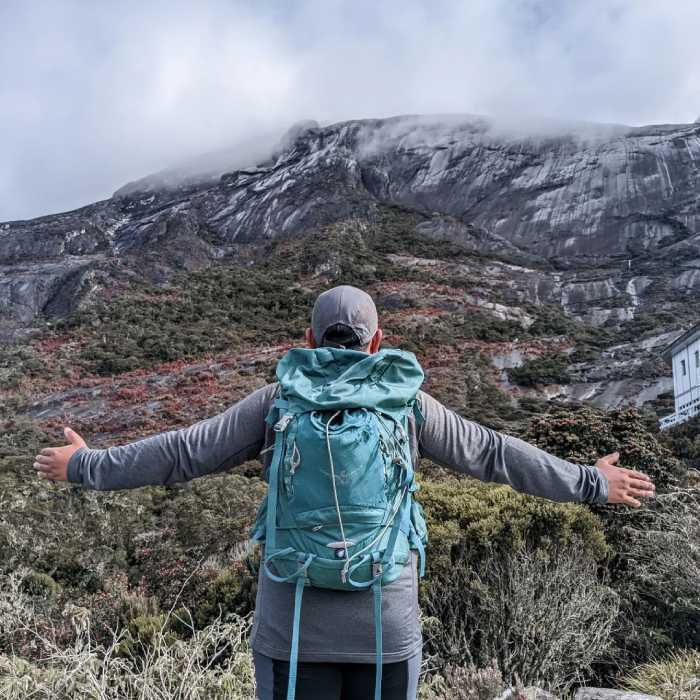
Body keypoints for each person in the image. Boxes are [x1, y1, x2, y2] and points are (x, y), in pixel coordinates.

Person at [33, 284, 656, 700]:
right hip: (385, 630)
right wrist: (591, 481)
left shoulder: (277, 402)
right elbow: (494, 454)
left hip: (292, 629)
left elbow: (180, 453)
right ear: (377, 342)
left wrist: (87, 465)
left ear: (308, 340)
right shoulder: (408, 404)